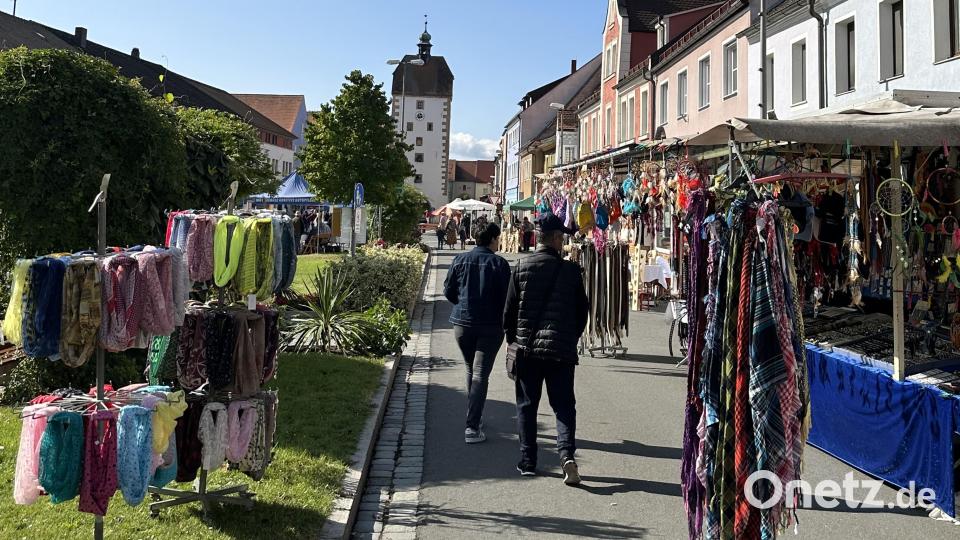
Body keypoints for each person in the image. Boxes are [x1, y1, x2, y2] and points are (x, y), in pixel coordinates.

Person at [503, 213, 588, 484]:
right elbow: (582, 312)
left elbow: (509, 312)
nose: (563, 242)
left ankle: (528, 460)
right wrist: (569, 337)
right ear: (554, 239)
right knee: (563, 406)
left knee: (527, 405)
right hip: (561, 350)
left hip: (527, 349)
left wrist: (512, 339)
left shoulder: (521, 267)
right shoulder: (571, 271)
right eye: (561, 237)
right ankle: (566, 456)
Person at [443, 223, 511, 444]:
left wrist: (461, 305)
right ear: (492, 239)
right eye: (498, 237)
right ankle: (472, 425)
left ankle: (474, 415)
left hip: (463, 323)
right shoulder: (499, 263)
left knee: (471, 368)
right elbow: (508, 298)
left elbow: (449, 290)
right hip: (491, 325)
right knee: (480, 372)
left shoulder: (460, 260)